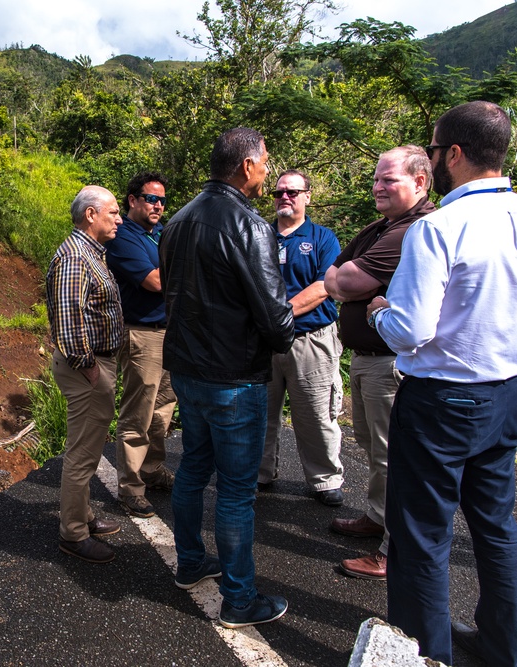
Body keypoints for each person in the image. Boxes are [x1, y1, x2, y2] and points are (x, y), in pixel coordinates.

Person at [371, 101, 517, 665]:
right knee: (496, 526)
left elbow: (411, 330)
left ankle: (426, 654)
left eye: (433, 151)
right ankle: (505, 649)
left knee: (422, 536)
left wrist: (381, 309)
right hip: (510, 390)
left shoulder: (438, 228)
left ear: (452, 154)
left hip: (443, 399)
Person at [159, 128, 295, 627]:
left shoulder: (177, 221)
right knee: (236, 491)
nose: (266, 172)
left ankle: (190, 562)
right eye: (263, 164)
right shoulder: (250, 226)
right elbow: (274, 316)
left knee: (194, 468)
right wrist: (295, 316)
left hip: (189, 370)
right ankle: (239, 599)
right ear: (246, 166)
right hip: (234, 377)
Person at [323, 146, 435, 581]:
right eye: (376, 179)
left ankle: (394, 551)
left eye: (389, 180)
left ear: (420, 182)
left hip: (393, 362)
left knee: (395, 457)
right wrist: (345, 284)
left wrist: (345, 283)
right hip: (368, 360)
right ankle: (377, 517)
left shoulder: (414, 229)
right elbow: (335, 274)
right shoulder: (381, 227)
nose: (377, 187)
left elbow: (346, 279)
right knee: (373, 447)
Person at [47, 185, 125, 564]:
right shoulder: (76, 257)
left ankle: (83, 516)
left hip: (93, 365)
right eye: (113, 212)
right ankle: (73, 534)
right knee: (82, 454)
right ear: (91, 214)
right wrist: (90, 367)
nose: (119, 219)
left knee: (88, 449)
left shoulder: (89, 252)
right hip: (86, 368)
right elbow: (68, 319)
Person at [259, 169, 344, 506]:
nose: (285, 197)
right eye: (279, 192)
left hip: (311, 340)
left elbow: (325, 285)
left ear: (308, 195)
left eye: (293, 192)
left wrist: (281, 313)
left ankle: (325, 479)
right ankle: (260, 472)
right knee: (260, 414)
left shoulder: (323, 238)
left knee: (316, 415)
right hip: (263, 342)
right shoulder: (260, 235)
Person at [106, 171, 178, 519]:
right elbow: (153, 281)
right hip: (141, 334)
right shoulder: (123, 238)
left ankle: (152, 469)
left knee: (164, 406)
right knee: (138, 412)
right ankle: (131, 487)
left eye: (162, 200)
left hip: (171, 331)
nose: (158, 205)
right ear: (133, 200)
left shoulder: (160, 234)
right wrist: (189, 274)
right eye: (152, 198)